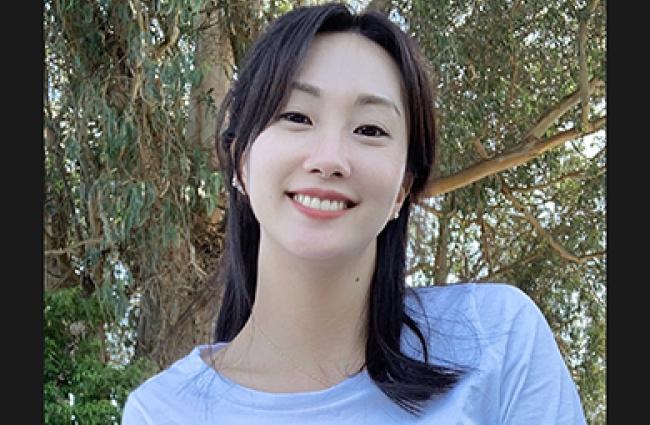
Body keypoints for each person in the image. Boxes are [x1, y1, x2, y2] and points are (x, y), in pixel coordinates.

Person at [122, 3, 587, 424]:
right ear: (241, 161)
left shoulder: (495, 339)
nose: (329, 158)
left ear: (403, 187)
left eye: (369, 128)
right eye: (296, 117)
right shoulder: (163, 412)